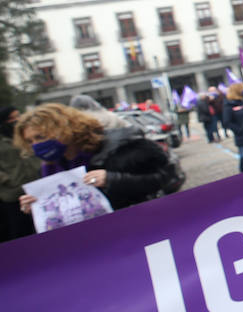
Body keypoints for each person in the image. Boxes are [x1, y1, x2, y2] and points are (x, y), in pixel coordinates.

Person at [15, 103, 179, 213]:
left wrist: (114, 180)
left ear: (64, 128)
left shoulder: (119, 147)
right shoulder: (49, 169)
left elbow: (167, 178)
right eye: (30, 141)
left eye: (40, 136)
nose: (36, 144)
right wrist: (37, 208)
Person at [0, 106, 39, 242]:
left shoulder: (27, 134)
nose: (15, 121)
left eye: (18, 116)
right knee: (20, 232)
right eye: (11, 119)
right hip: (13, 194)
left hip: (35, 189)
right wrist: (7, 180)